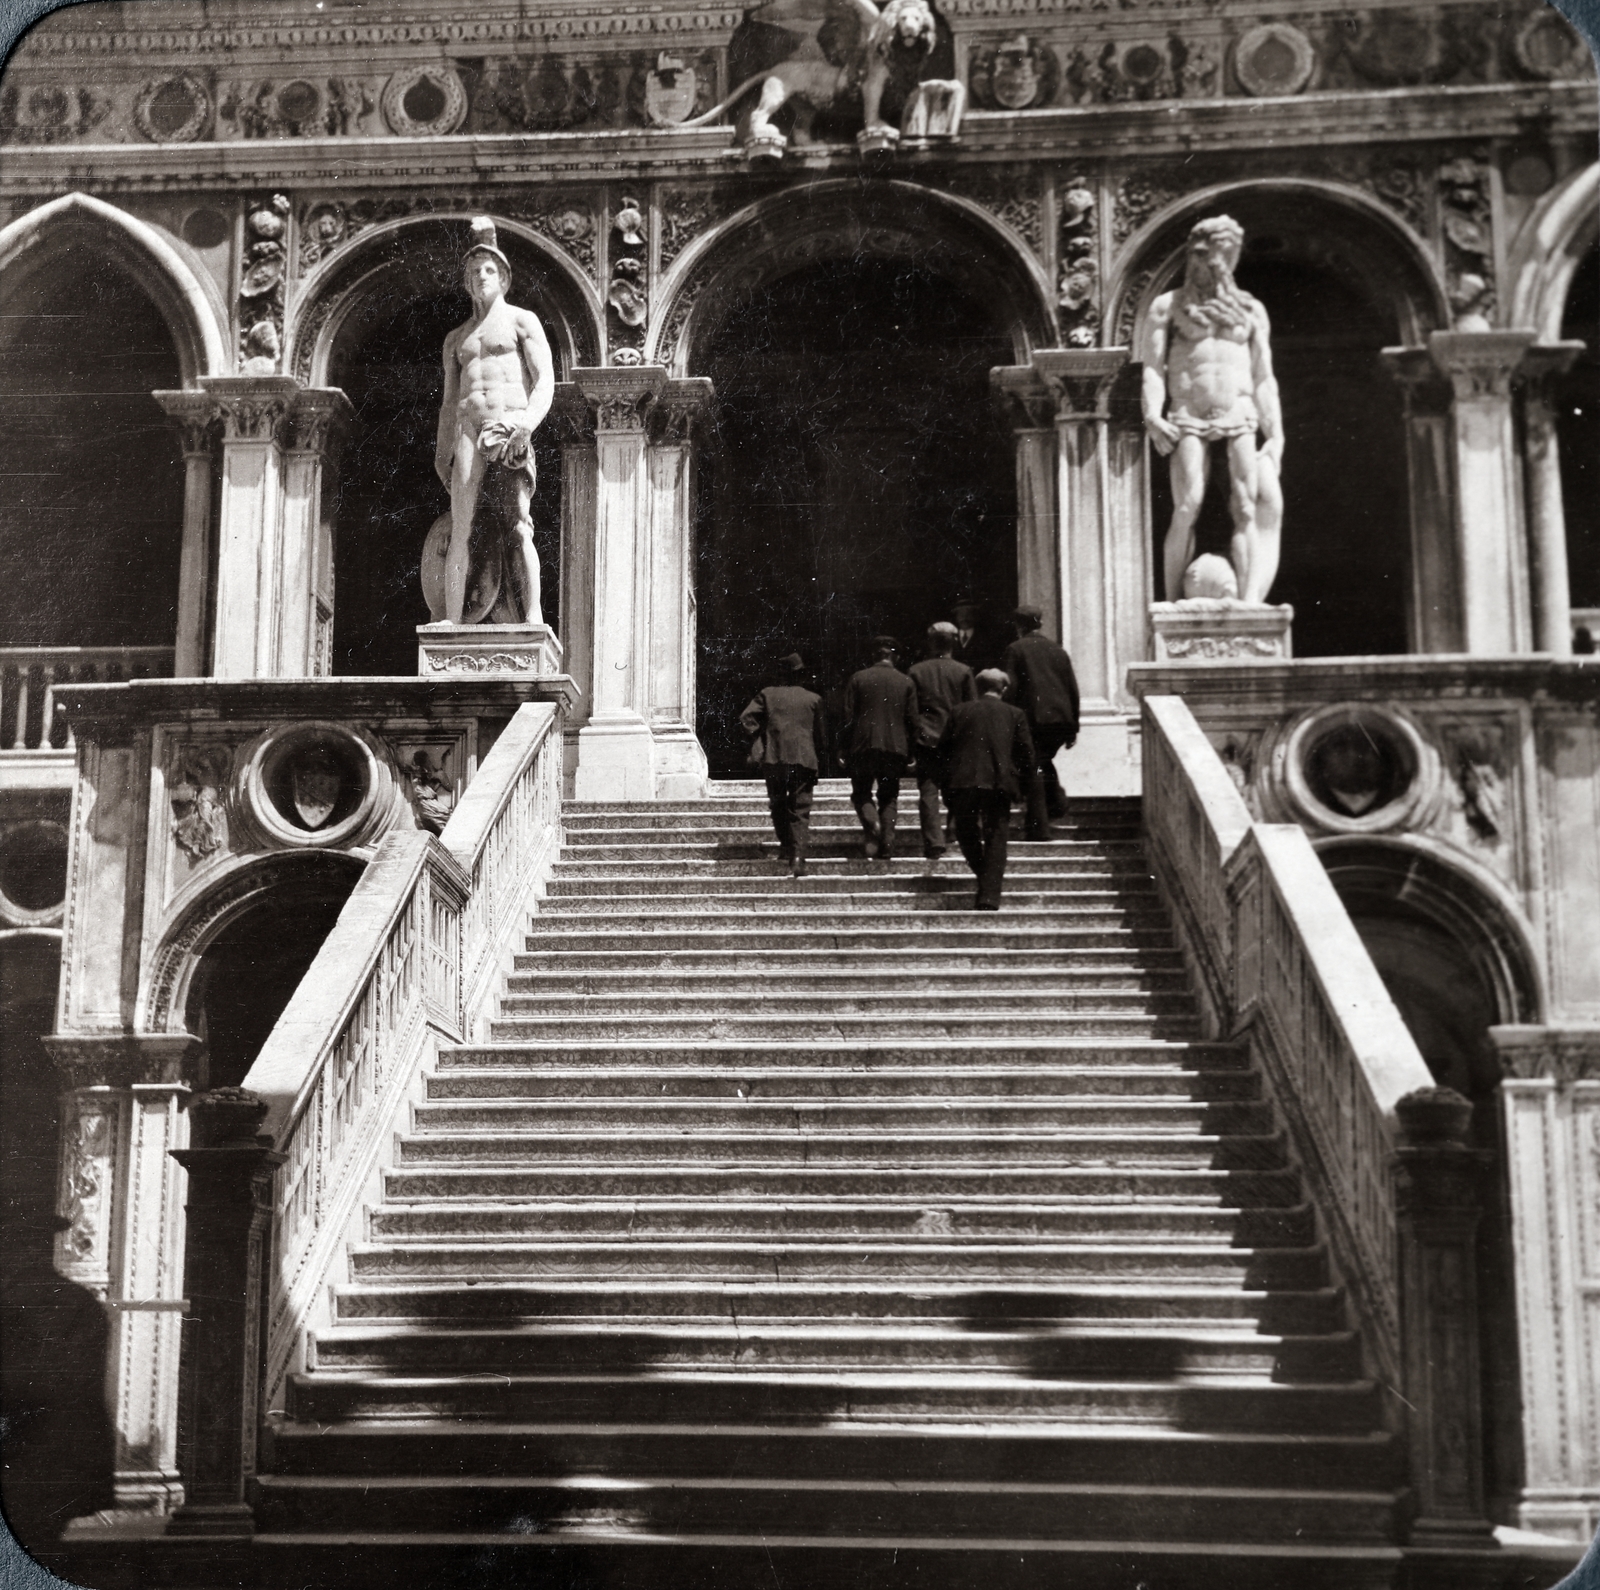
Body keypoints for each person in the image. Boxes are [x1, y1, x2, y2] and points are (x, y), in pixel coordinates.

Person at [1141, 214, 1284, 605]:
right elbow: (1153, 368)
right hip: (1188, 412)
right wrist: (1152, 415)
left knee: (1246, 508)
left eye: (1230, 256)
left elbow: (1263, 376)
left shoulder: (1251, 310)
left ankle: (1251, 602)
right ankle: (1170, 603)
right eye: (1217, 255)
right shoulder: (1168, 306)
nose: (1223, 264)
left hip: (1240, 412)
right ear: (1199, 256)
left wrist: (1277, 433)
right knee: (1187, 505)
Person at [435, 217, 556, 626]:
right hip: (468, 430)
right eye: (473, 273)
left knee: (520, 526)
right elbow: (450, 402)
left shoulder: (522, 321)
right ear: (466, 283)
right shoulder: (457, 338)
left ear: (503, 277)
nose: (480, 277)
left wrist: (526, 424)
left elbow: (545, 382)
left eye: (488, 270)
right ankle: (452, 620)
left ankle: (534, 615)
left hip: (508, 427)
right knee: (461, 527)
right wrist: (441, 451)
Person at [941, 669, 1035, 911]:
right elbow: (1027, 755)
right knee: (996, 836)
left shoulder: (959, 711)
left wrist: (947, 785)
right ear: (1003, 689)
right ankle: (989, 894)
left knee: (966, 833)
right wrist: (1023, 787)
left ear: (978, 687)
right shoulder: (1015, 714)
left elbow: (943, 751)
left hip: (963, 783)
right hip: (998, 783)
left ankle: (985, 879)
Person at [740, 653, 828, 878]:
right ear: (801, 674)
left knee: (778, 804)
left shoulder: (767, 694)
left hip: (775, 758)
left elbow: (746, 718)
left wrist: (761, 735)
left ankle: (786, 846)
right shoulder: (813, 699)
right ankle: (798, 857)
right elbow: (822, 736)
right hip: (804, 759)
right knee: (800, 809)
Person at [1000, 605, 1080, 842]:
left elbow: (1010, 687)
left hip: (1033, 720)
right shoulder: (1058, 651)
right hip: (1060, 720)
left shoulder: (1015, 649)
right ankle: (1056, 802)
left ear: (1019, 626)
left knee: (1033, 768)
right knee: (1041, 761)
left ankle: (1039, 828)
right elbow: (1072, 689)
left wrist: (1007, 720)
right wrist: (1073, 726)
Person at [842, 635, 919, 860]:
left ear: (874, 655)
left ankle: (873, 824)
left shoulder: (858, 678)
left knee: (861, 793)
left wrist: (843, 748)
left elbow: (848, 717)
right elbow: (913, 720)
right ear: (895, 656)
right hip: (895, 747)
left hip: (863, 745)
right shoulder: (906, 681)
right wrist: (912, 751)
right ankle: (886, 841)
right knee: (889, 796)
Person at [908, 621, 976, 865]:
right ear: (954, 643)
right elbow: (971, 709)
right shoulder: (964, 671)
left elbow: (911, 711)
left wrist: (915, 738)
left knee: (928, 791)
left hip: (926, 739)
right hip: (956, 739)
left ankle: (934, 843)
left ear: (931, 642)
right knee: (957, 789)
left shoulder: (916, 671)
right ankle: (954, 831)